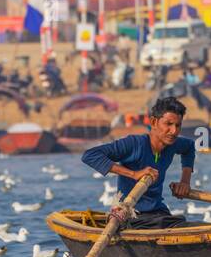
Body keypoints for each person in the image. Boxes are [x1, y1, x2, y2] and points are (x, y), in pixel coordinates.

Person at [81, 96, 196, 230]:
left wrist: (185, 182)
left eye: (178, 125)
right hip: (131, 215)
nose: (174, 131)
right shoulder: (134, 144)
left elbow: (189, 147)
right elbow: (90, 155)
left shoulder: (173, 144)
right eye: (168, 124)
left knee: (179, 223)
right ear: (153, 122)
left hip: (158, 212)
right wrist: (133, 174)